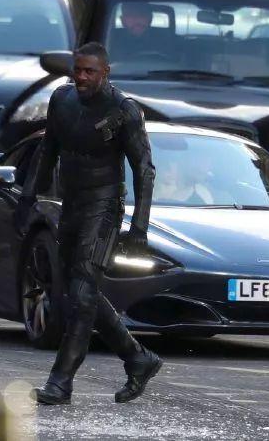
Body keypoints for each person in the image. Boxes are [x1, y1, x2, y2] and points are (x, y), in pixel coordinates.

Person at [16, 42, 162, 405]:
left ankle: (60, 382)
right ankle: (137, 358)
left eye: (89, 71)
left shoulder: (125, 111)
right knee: (79, 293)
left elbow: (144, 169)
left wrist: (139, 228)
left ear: (105, 73)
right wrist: (27, 198)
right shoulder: (61, 100)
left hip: (104, 207)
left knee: (82, 295)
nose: (81, 77)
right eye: (77, 70)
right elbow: (48, 150)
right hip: (72, 204)